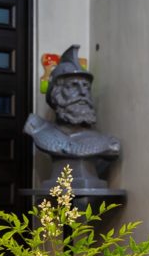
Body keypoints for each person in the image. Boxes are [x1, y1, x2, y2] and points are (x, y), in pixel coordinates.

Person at [24, 45, 120, 189]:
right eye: (73, 86)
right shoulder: (37, 128)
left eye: (86, 87)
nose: (83, 92)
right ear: (56, 94)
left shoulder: (108, 142)